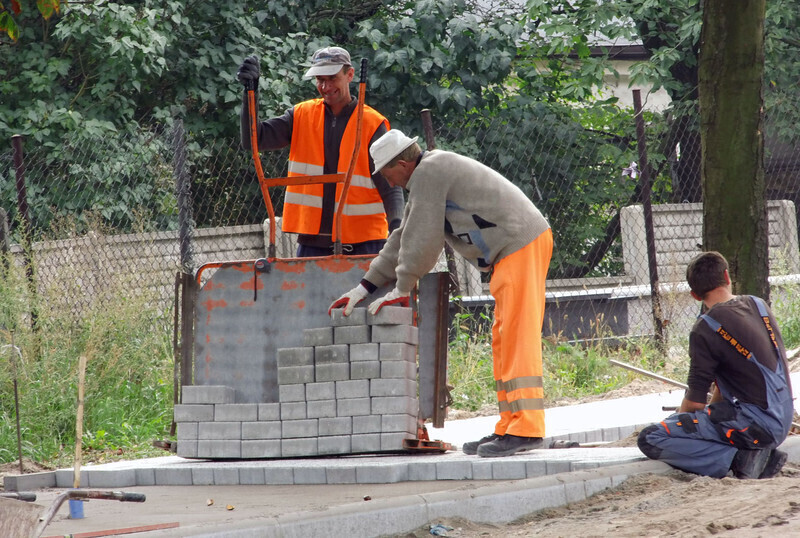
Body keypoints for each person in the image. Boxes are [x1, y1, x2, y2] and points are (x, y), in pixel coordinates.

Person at [328, 129, 553, 458]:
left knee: (517, 335)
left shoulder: (430, 172)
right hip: (513, 251)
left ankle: (526, 428)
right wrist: (364, 288)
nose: (386, 183)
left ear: (402, 164)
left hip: (520, 246)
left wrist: (402, 287)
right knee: (505, 337)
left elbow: (423, 240)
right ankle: (510, 425)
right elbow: (404, 235)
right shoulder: (427, 174)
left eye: (385, 174)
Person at [638, 251, 794, 478]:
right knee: (707, 417)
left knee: (652, 437)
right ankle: (752, 453)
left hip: (756, 426)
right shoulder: (759, 305)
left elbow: (694, 404)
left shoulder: (705, 328)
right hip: (783, 416)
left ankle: (739, 460)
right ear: (727, 276)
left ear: (694, 295)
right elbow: (723, 387)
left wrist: (681, 421)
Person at [236, 46, 404, 257]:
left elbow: (391, 185)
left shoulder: (372, 123)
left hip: (366, 244)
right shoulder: (301, 115)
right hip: (312, 245)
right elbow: (252, 140)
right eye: (320, 80)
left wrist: (397, 231)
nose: (325, 86)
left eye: (332, 78)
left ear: (349, 74)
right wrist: (250, 93)